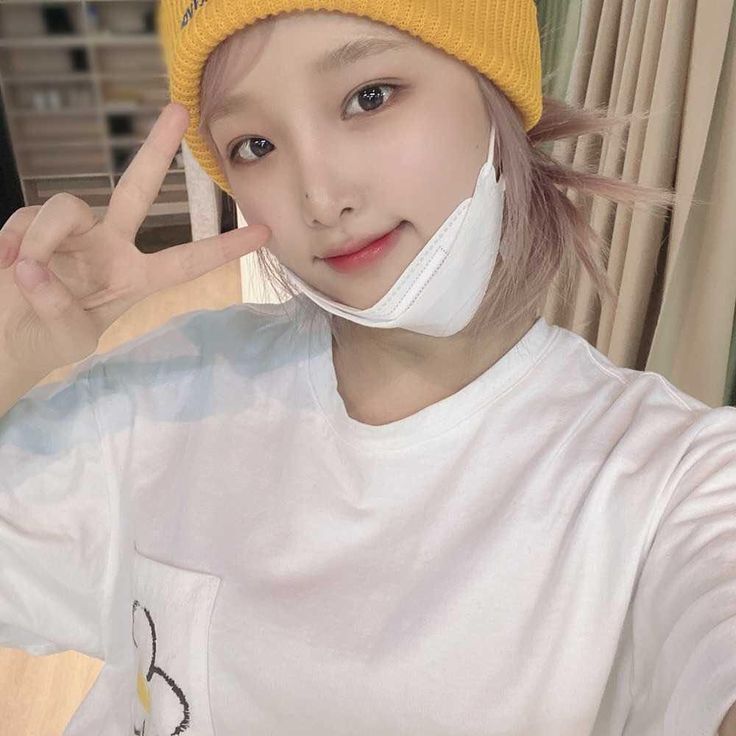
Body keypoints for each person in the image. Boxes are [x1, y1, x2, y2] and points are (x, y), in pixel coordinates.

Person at [1, 2, 735, 735]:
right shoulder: (164, 391)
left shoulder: (671, 482)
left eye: (369, 98)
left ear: (496, 92)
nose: (322, 200)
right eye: (256, 145)